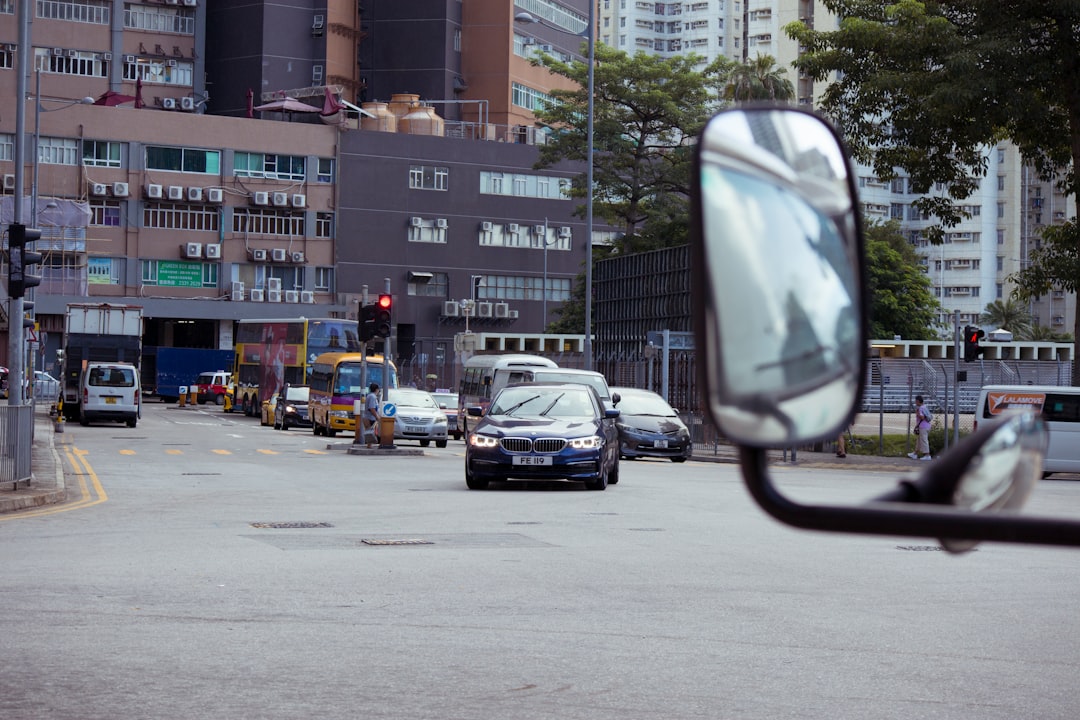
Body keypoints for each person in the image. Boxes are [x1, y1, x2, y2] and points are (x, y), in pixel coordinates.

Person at [907, 395, 932, 460]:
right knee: (919, 441)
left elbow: (922, 417)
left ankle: (927, 455)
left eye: (916, 401)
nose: (915, 402)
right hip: (926, 426)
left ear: (918, 401)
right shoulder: (925, 407)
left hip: (923, 426)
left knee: (924, 440)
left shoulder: (920, 408)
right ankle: (915, 453)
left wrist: (917, 413)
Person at [363, 382, 380, 448]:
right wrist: (377, 416)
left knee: (370, 433)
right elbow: (372, 408)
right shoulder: (373, 397)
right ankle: (369, 447)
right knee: (370, 433)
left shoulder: (370, 396)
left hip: (368, 417)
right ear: (376, 389)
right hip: (370, 418)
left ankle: (369, 446)